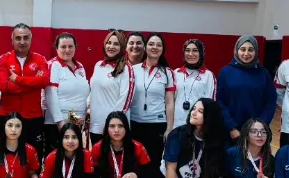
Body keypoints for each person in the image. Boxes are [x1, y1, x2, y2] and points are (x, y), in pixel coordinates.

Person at [0, 23, 49, 153]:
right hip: (8, 117)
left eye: (26, 38)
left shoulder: (40, 59)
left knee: (34, 157)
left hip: (33, 117)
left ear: (31, 39)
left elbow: (44, 81)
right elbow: (4, 86)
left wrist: (18, 79)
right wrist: (33, 84)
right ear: (12, 40)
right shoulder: (3, 60)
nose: (22, 42)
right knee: (7, 156)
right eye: (18, 38)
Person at [216, 35, 276, 140]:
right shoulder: (225, 72)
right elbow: (219, 101)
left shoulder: (264, 74)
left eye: (251, 50)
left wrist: (259, 127)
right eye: (243, 49)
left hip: (257, 132)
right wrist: (231, 127)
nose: (246, 53)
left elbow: (270, 103)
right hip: (231, 133)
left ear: (256, 51)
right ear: (237, 50)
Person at [130, 33, 175, 166]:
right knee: (134, 163)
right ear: (145, 47)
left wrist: (169, 128)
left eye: (159, 45)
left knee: (153, 164)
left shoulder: (167, 72)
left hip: (157, 124)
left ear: (163, 49)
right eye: (151, 44)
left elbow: (170, 102)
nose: (155, 47)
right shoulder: (133, 70)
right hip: (134, 123)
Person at [44, 32, 88, 156]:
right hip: (57, 124)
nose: (67, 50)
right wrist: (60, 123)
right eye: (63, 47)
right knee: (56, 160)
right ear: (56, 48)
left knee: (75, 160)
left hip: (76, 122)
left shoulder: (80, 66)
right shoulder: (53, 65)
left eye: (70, 46)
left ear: (75, 47)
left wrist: (82, 121)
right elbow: (51, 95)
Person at [88, 30, 135, 145]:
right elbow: (93, 92)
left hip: (115, 129)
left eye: (116, 44)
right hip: (95, 126)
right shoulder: (98, 65)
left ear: (122, 46)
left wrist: (113, 123)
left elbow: (126, 99)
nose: (111, 46)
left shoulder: (126, 68)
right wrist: (87, 111)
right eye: (109, 43)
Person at [172, 39, 216, 130]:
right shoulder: (176, 73)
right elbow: (170, 100)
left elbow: (209, 104)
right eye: (187, 50)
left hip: (197, 126)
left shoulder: (208, 75)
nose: (190, 54)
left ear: (201, 53)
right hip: (176, 124)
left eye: (195, 50)